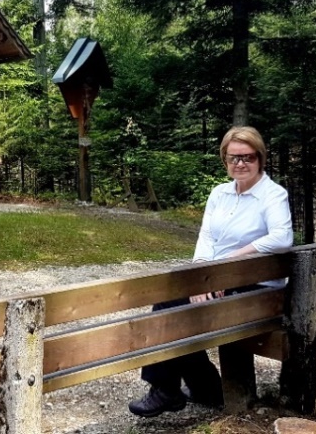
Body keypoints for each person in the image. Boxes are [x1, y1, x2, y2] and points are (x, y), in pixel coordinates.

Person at [127, 126, 294, 418]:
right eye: (233, 158)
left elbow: (282, 238)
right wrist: (199, 278)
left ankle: (166, 390)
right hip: (218, 281)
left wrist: (229, 262)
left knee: (172, 310)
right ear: (224, 160)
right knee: (178, 304)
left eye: (247, 157)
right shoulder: (219, 193)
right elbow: (206, 238)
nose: (240, 164)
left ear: (260, 158)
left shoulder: (272, 195)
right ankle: (203, 390)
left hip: (256, 289)